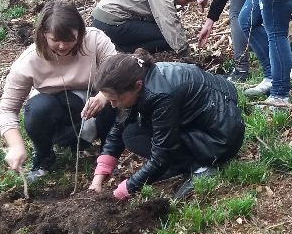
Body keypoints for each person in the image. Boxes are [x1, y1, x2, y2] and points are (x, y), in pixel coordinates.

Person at [87, 49, 244, 201]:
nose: (113, 105)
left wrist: (124, 191)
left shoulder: (161, 96)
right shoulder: (141, 76)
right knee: (131, 133)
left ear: (137, 85)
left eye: (115, 99)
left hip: (218, 137)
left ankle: (199, 167)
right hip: (203, 120)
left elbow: (161, 154)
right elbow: (119, 126)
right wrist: (98, 178)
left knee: (135, 137)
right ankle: (181, 164)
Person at [0, 0, 117, 181]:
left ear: (80, 32)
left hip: (93, 105)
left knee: (112, 99)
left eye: (69, 39)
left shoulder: (95, 40)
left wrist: (102, 96)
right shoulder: (29, 61)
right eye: (55, 40)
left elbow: (119, 71)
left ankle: (107, 153)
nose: (62, 46)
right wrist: (15, 145)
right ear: (43, 35)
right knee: (37, 108)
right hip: (56, 111)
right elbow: (7, 109)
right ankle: (44, 156)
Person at [91, 0, 200, 54]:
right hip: (110, 23)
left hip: (104, 19)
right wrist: (184, 50)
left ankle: (119, 44)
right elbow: (168, 20)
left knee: (169, 34)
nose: (185, 4)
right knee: (167, 39)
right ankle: (120, 48)